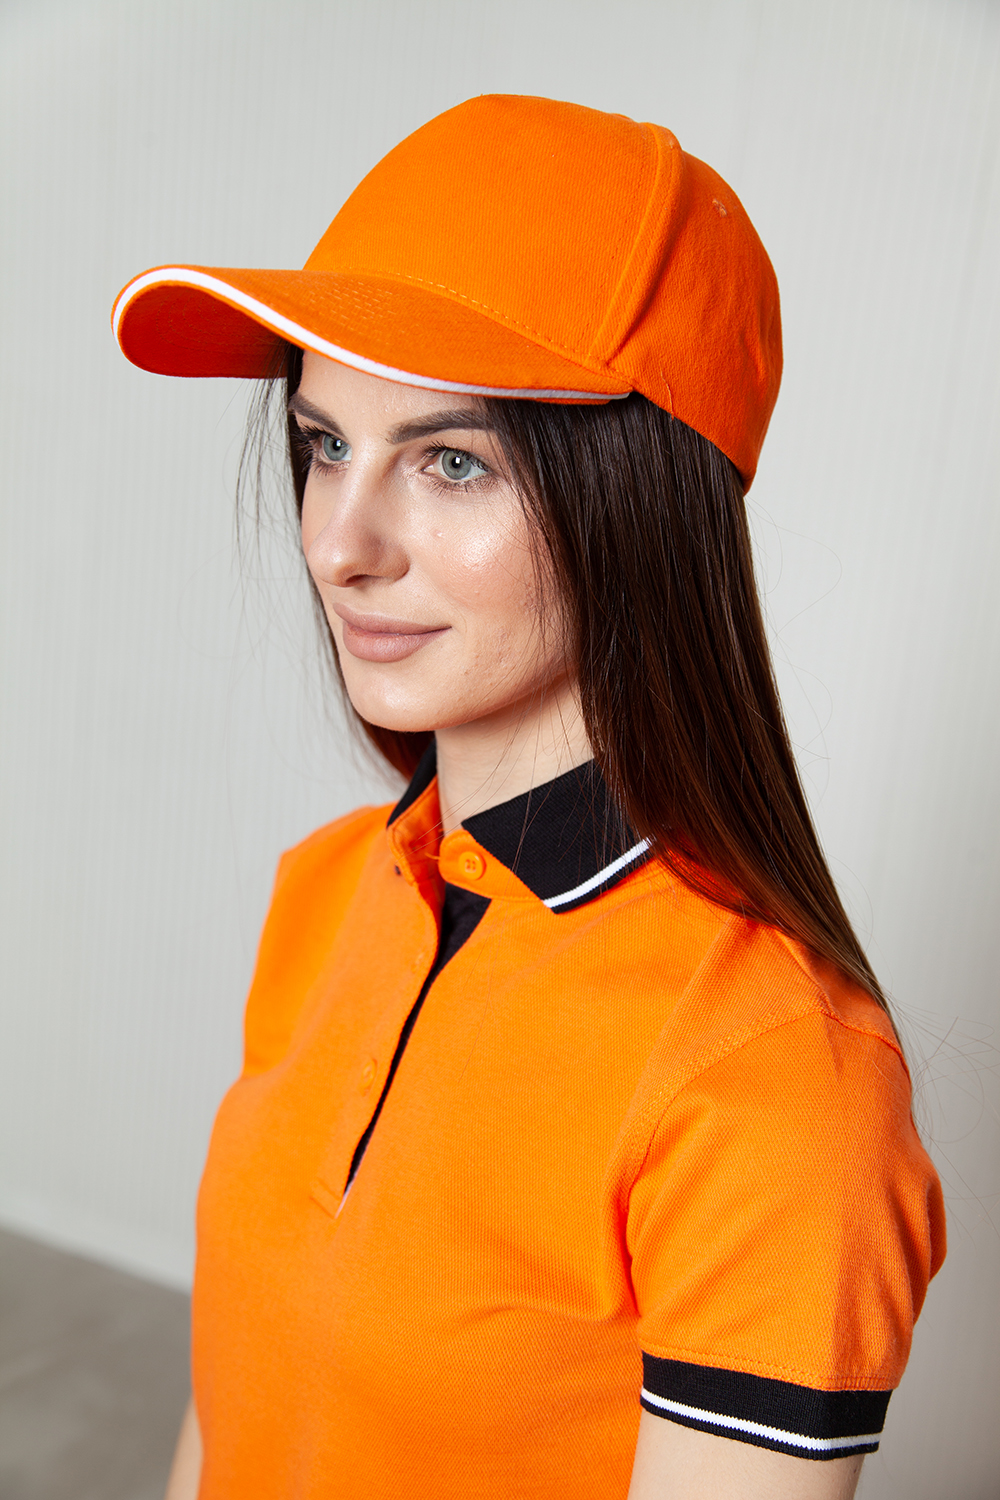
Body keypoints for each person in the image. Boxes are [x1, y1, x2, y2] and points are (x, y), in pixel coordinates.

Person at [112, 95, 945, 1500]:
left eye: (452, 461)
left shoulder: (772, 1074)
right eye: (324, 445)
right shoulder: (327, 889)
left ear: (641, 505)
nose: (338, 543)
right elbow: (237, 1399)